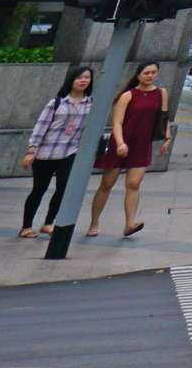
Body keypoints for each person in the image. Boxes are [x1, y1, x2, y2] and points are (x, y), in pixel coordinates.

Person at [84, 62, 168, 239]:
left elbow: (163, 118)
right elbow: (117, 123)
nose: (150, 76)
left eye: (153, 72)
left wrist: (167, 138)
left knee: (134, 184)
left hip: (142, 145)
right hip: (121, 144)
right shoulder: (127, 95)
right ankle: (94, 223)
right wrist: (121, 143)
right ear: (138, 75)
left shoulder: (161, 93)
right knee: (107, 184)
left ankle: (130, 223)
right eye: (146, 73)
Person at [17, 66, 96, 237]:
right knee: (39, 189)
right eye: (79, 77)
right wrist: (31, 150)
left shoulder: (90, 103)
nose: (83, 80)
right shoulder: (57, 103)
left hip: (70, 151)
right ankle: (26, 226)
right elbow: (41, 126)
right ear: (71, 80)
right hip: (47, 152)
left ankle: (48, 223)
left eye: (87, 77)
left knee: (64, 186)